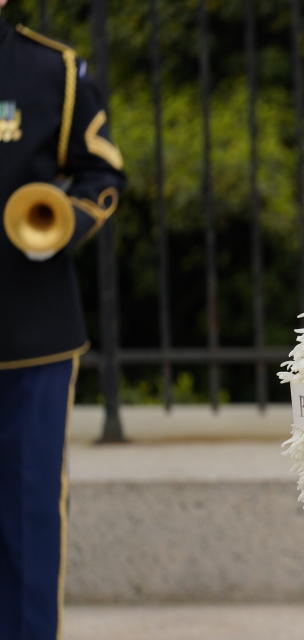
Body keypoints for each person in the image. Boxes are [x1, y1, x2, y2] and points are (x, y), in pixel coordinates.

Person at [0, 6, 126, 639]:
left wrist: (64, 223)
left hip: (30, 332)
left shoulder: (54, 69)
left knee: (27, 517)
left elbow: (100, 173)